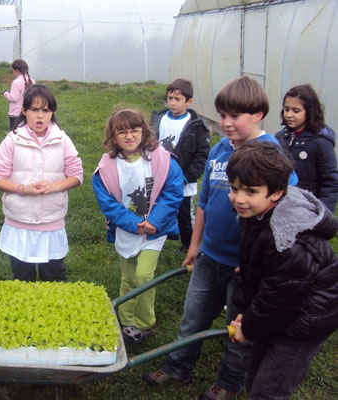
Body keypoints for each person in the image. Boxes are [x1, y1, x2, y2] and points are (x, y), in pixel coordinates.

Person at [143, 76, 298, 400]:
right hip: (210, 254)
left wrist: (260, 261)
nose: (225, 123)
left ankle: (228, 383)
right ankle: (178, 367)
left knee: (237, 328)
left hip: (246, 265)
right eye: (221, 115)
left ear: (258, 115)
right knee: (193, 316)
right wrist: (196, 244)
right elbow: (203, 202)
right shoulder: (218, 149)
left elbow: (288, 208)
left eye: (234, 117)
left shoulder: (271, 154)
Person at [226, 141, 338, 399]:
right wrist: (249, 316)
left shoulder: (286, 242)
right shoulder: (257, 211)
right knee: (254, 377)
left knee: (270, 390)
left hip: (304, 321)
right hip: (281, 307)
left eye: (250, 191)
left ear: (276, 193)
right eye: (234, 189)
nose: (239, 199)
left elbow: (279, 299)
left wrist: (249, 326)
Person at [92, 109, 183, 345]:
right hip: (127, 230)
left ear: (144, 132)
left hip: (155, 231)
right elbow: (108, 204)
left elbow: (173, 191)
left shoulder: (162, 159)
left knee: (144, 275)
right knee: (129, 277)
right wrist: (134, 223)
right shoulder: (107, 167)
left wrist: (153, 221)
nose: (129, 136)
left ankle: (143, 323)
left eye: (135, 130)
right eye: (122, 132)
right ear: (113, 137)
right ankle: (125, 319)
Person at [0, 84, 83, 282]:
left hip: (52, 221)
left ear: (52, 112)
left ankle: (55, 312)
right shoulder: (12, 140)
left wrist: (53, 186)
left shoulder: (62, 140)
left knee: (55, 276)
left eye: (46, 110)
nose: (40, 116)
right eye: (34, 109)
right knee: (23, 278)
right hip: (19, 222)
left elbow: (77, 176)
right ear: (23, 111)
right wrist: (24, 189)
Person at [150, 78, 210, 252]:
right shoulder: (159, 119)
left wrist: (186, 177)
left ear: (188, 101)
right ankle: (155, 239)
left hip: (183, 180)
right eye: (170, 98)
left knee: (184, 213)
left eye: (177, 99)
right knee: (157, 207)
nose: (172, 103)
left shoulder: (196, 126)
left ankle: (188, 243)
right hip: (158, 177)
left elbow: (202, 155)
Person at [275, 84, 338, 212]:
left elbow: (330, 182)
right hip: (281, 208)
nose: (289, 115)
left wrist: (323, 216)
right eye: (286, 109)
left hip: (308, 210)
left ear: (310, 112)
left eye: (296, 111)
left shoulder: (320, 142)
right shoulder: (280, 138)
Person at [3, 59, 35, 131]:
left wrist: (5, 93)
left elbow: (14, 98)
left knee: (15, 133)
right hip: (29, 112)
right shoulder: (32, 81)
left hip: (16, 113)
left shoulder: (16, 82)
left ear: (16, 70)